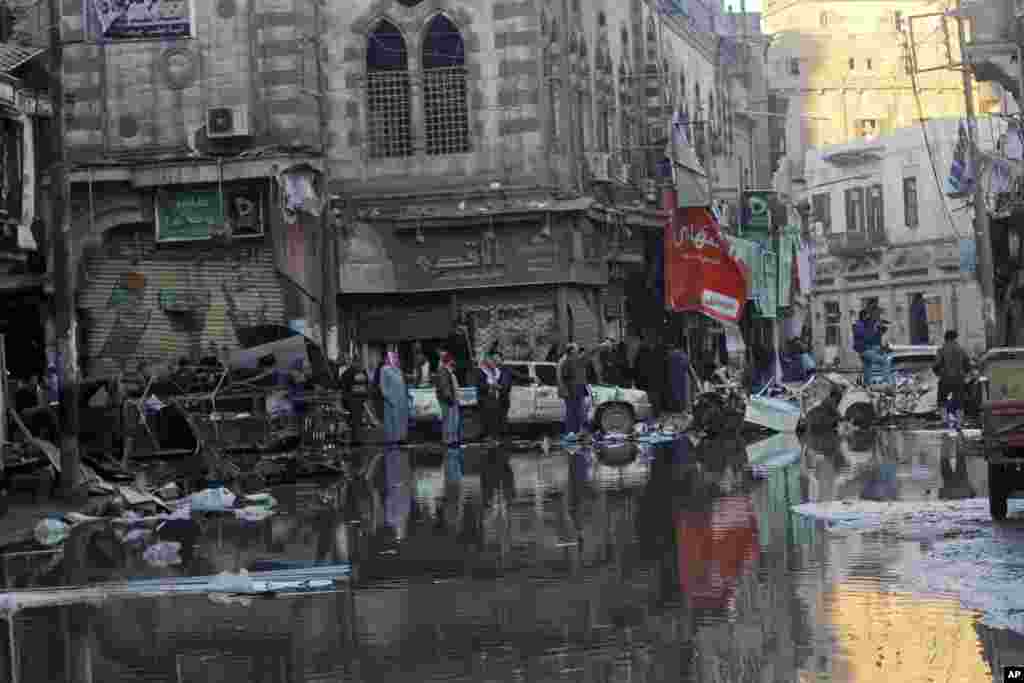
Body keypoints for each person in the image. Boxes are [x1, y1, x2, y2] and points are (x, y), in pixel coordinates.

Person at [933, 329, 971, 429]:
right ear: (955, 338)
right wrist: (965, 374)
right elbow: (967, 364)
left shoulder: (941, 350)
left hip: (945, 378)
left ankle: (945, 420)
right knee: (959, 402)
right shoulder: (961, 350)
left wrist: (939, 374)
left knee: (941, 399)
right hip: (959, 379)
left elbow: (936, 365)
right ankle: (959, 424)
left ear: (945, 338)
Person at [435, 352, 463, 480]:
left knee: (452, 421)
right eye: (452, 360)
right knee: (449, 421)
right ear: (449, 361)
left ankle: (451, 440)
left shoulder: (447, 371)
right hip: (448, 401)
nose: (454, 362)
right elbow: (445, 387)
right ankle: (448, 441)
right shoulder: (443, 371)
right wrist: (450, 399)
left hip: (451, 400)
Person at [378, 351, 409, 452]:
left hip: (401, 399)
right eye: (393, 357)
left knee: (401, 419)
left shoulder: (398, 370)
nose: (396, 359)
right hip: (392, 400)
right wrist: (389, 398)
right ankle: (393, 440)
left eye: (396, 357)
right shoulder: (384, 369)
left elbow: (402, 383)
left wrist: (406, 395)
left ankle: (401, 438)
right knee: (392, 420)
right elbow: (382, 386)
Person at [340, 355, 370, 450]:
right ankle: (357, 440)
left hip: (352, 399)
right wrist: (365, 397)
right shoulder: (362, 372)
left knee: (355, 421)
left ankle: (356, 441)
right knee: (357, 420)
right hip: (359, 398)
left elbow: (344, 387)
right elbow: (366, 384)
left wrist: (345, 400)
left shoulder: (347, 372)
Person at [558, 344, 589, 436]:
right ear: (571, 351)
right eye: (576, 348)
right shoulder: (566, 361)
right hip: (572, 391)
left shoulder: (571, 360)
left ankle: (575, 432)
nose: (578, 350)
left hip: (576, 390)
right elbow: (564, 377)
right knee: (572, 412)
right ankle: (570, 432)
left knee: (577, 412)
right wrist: (566, 390)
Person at [475, 354, 503, 444]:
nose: (492, 363)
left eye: (492, 361)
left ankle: (494, 437)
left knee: (495, 418)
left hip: (494, 397)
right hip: (485, 398)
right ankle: (488, 437)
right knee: (488, 418)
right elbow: (480, 385)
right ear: (486, 363)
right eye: (490, 361)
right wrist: (491, 386)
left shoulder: (495, 372)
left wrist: (498, 386)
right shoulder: (481, 372)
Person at [493, 351, 513, 437]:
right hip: (493, 399)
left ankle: (504, 437)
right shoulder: (491, 370)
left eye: (497, 358)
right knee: (495, 419)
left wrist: (531, 379)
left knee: (503, 418)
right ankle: (497, 437)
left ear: (501, 359)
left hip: (503, 398)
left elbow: (519, 375)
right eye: (494, 359)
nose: (495, 360)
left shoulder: (507, 369)